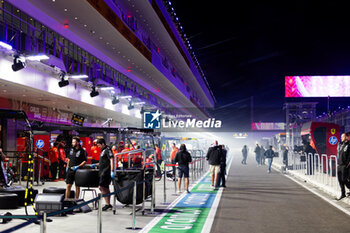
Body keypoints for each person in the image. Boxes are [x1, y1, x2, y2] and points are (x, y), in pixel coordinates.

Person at [91, 138, 114, 211]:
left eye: (99, 145)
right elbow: (103, 161)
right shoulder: (103, 151)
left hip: (106, 172)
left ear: (103, 144)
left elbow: (111, 160)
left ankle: (107, 203)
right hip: (102, 171)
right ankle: (108, 204)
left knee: (101, 187)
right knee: (105, 188)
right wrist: (96, 164)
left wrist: (112, 171)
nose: (98, 147)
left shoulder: (108, 150)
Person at [336, 132, 350, 200]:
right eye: (341, 137)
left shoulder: (348, 145)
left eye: (343, 137)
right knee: (340, 180)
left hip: (344, 165)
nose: (341, 138)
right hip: (339, 165)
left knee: (344, 179)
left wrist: (347, 163)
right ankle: (343, 194)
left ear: (346, 137)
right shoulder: (340, 144)